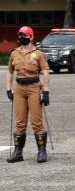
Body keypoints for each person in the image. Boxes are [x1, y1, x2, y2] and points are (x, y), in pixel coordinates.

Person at [5, 26, 50, 163]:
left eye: (24, 35)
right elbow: (10, 72)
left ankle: (42, 152)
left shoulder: (38, 54)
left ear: (31, 37)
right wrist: (8, 88)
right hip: (19, 89)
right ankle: (18, 152)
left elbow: (45, 72)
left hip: (34, 88)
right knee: (19, 122)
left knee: (36, 122)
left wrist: (46, 91)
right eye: (20, 35)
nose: (21, 38)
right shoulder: (14, 53)